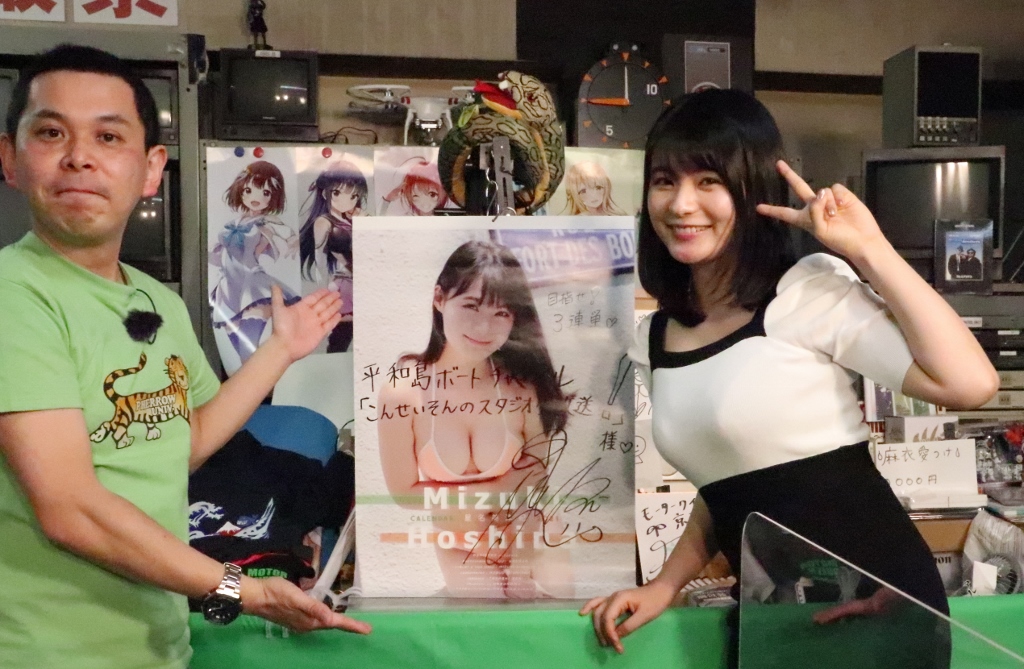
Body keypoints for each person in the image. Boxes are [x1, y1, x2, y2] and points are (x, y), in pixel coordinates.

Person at [580, 89, 997, 659]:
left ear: (752, 188)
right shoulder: (655, 338)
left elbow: (970, 384)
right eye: (664, 181)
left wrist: (869, 249)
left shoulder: (806, 293)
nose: (681, 204)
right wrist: (664, 585)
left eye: (709, 181)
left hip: (879, 606)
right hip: (774, 611)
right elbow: (724, 486)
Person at [0, 45, 370, 669]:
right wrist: (242, 589)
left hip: (156, 647)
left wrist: (280, 350)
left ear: (151, 169)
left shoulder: (158, 302)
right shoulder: (14, 294)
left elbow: (186, 441)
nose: (79, 156)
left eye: (108, 136)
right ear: (10, 158)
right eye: (51, 132)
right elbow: (69, 507)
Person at [376, 240, 572, 597]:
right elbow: (404, 492)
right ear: (439, 298)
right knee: (483, 614)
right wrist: (483, 507)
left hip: (528, 529)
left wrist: (496, 514)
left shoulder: (520, 386)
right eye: (471, 305)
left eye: (502, 313)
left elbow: (537, 468)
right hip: (458, 539)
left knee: (549, 608)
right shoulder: (403, 390)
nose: (484, 327)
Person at [210, 159, 300, 365]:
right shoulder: (233, 222)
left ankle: (267, 382)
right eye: (249, 190)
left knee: (248, 352)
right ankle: (264, 381)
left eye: (265, 193)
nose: (256, 198)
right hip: (229, 287)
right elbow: (218, 253)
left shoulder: (268, 221)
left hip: (253, 284)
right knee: (244, 359)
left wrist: (286, 243)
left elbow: (290, 236)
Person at [298, 159, 368, 352]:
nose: (345, 201)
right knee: (342, 333)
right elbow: (319, 256)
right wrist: (325, 285)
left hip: (360, 281)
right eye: (337, 193)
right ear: (325, 193)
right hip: (342, 283)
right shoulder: (324, 222)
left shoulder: (352, 220)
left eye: (353, 196)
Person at [380, 155, 448, 215]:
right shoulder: (407, 218)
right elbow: (379, 221)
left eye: (432, 195)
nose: (425, 204)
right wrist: (388, 199)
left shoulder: (446, 217)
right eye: (416, 196)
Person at [560, 160, 627, 216]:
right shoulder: (578, 219)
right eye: (583, 191)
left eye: (598, 188)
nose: (593, 195)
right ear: (574, 194)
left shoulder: (618, 215)